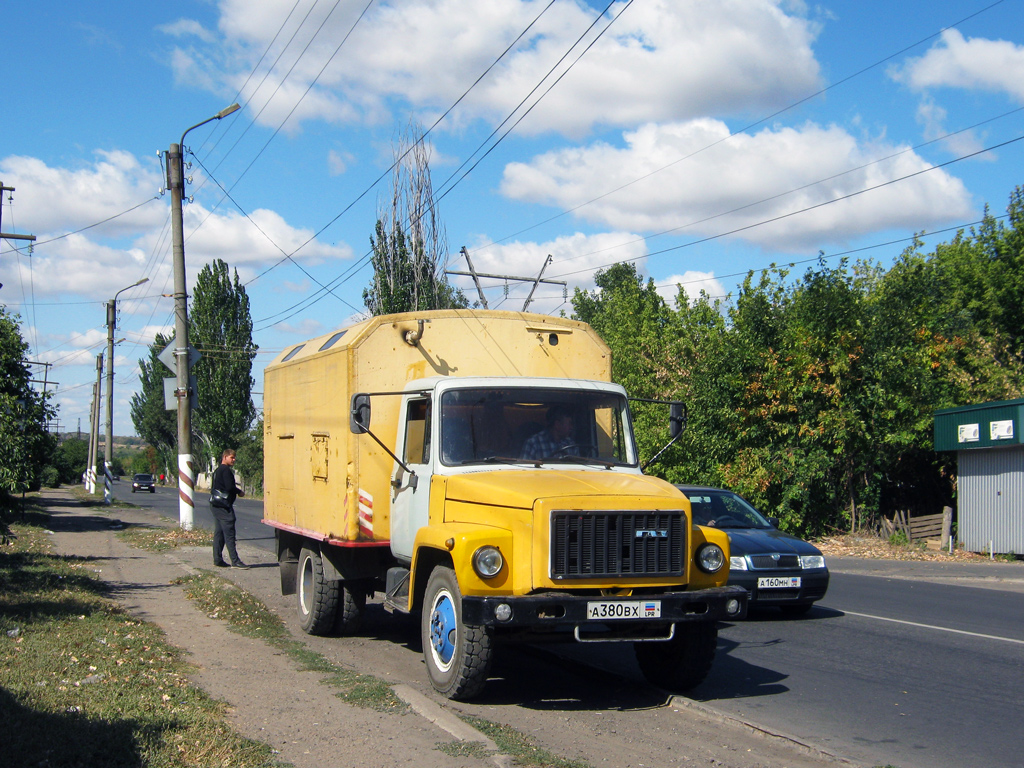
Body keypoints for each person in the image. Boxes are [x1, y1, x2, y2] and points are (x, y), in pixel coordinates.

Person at [211, 448, 248, 568]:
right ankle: (235, 561)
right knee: (229, 533)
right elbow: (229, 487)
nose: (234, 460)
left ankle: (217, 559)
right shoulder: (226, 470)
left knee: (219, 533)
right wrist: (239, 491)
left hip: (216, 505)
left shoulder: (217, 470)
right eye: (231, 457)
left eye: (234, 457)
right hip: (224, 506)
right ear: (225, 457)